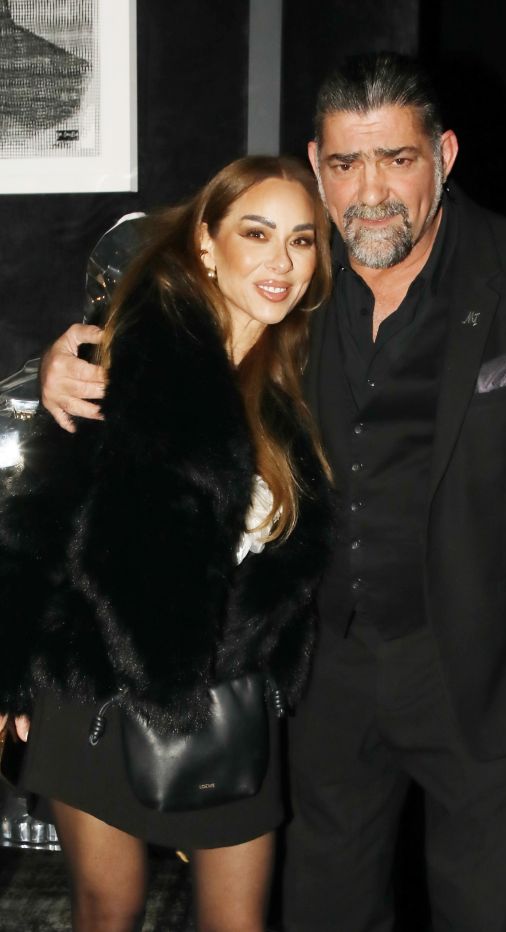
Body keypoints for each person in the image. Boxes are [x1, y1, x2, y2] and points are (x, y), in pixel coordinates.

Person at [38, 52, 506, 932]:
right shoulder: (297, 273)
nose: (370, 192)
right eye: (344, 164)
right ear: (316, 165)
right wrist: (69, 359)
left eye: (397, 159)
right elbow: (178, 290)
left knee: (485, 910)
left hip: (481, 668)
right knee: (325, 908)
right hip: (323, 674)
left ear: (444, 155)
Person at [0, 154, 333, 932]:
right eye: (257, 233)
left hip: (233, 700)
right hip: (97, 694)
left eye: (302, 240)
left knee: (237, 922)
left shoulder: (304, 374)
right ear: (207, 244)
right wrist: (7, 676)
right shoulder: (123, 359)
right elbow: (38, 520)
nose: (282, 261)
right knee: (108, 912)